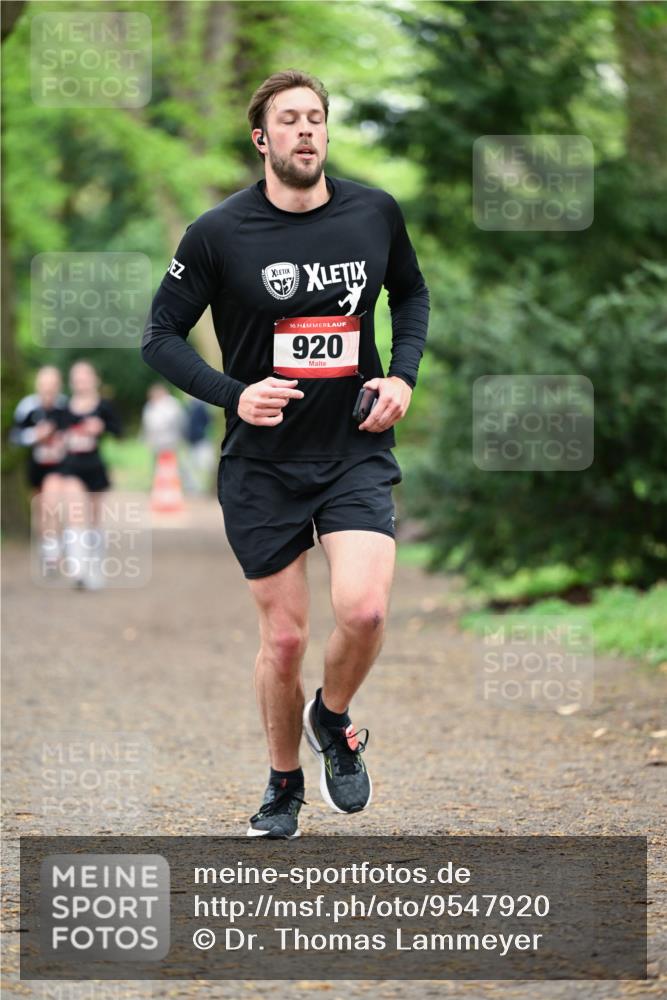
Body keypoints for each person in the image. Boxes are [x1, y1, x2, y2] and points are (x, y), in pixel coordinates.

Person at [142, 69, 429, 838]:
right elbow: (159, 337)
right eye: (289, 119)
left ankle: (330, 718)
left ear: (325, 132)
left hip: (353, 447)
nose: (305, 129)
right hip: (262, 464)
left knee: (364, 610)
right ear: (261, 139)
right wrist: (233, 394)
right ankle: (282, 786)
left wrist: (401, 376)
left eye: (315, 118)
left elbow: (409, 293)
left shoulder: (374, 212)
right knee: (286, 637)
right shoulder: (217, 233)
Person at [60, 360, 122, 590]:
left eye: (85, 376)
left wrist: (101, 427)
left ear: (95, 379)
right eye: (77, 377)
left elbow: (119, 431)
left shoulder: (103, 406)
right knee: (76, 514)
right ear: (72, 382)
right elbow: (56, 433)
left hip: (95, 466)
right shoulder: (64, 408)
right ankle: (78, 570)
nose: (81, 381)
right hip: (71, 467)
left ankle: (95, 568)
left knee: (95, 520)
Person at [11, 366, 69, 572]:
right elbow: (15, 437)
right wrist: (36, 435)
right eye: (45, 385)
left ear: (59, 386)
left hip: (60, 467)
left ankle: (55, 552)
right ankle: (49, 548)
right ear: (38, 385)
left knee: (52, 504)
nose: (48, 390)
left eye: (52, 385)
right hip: (36, 468)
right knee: (41, 509)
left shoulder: (65, 407)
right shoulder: (27, 406)